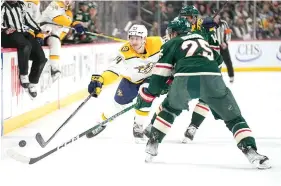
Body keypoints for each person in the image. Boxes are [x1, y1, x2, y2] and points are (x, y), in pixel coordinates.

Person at [135, 18, 271, 169]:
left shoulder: (172, 43)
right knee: (234, 118)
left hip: (184, 80)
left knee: (169, 109)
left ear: (173, 32)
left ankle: (153, 143)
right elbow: (218, 60)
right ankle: (251, 150)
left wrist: (153, 91)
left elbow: (161, 74)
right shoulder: (201, 38)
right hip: (213, 79)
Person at [86, 24, 164, 143]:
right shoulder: (124, 52)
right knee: (118, 104)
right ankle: (101, 122)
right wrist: (101, 79)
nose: (133, 41)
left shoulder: (158, 43)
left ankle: (138, 126)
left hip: (150, 78)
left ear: (144, 38)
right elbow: (113, 70)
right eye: (131, 38)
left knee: (145, 95)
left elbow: (173, 48)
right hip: (131, 80)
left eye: (137, 38)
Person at [1, 0, 47, 98]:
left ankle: (33, 82)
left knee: (41, 58)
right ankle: (23, 74)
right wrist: (5, 29)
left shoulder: (21, 5)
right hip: (8, 35)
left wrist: (39, 29)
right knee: (26, 45)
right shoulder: (2, 5)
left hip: (22, 33)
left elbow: (28, 19)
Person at [38, 0, 85, 82]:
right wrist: (73, 24)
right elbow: (57, 18)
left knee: (56, 42)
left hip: (51, 35)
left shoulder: (68, 12)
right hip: (40, 32)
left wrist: (77, 25)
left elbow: (64, 30)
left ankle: (54, 68)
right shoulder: (55, 4)